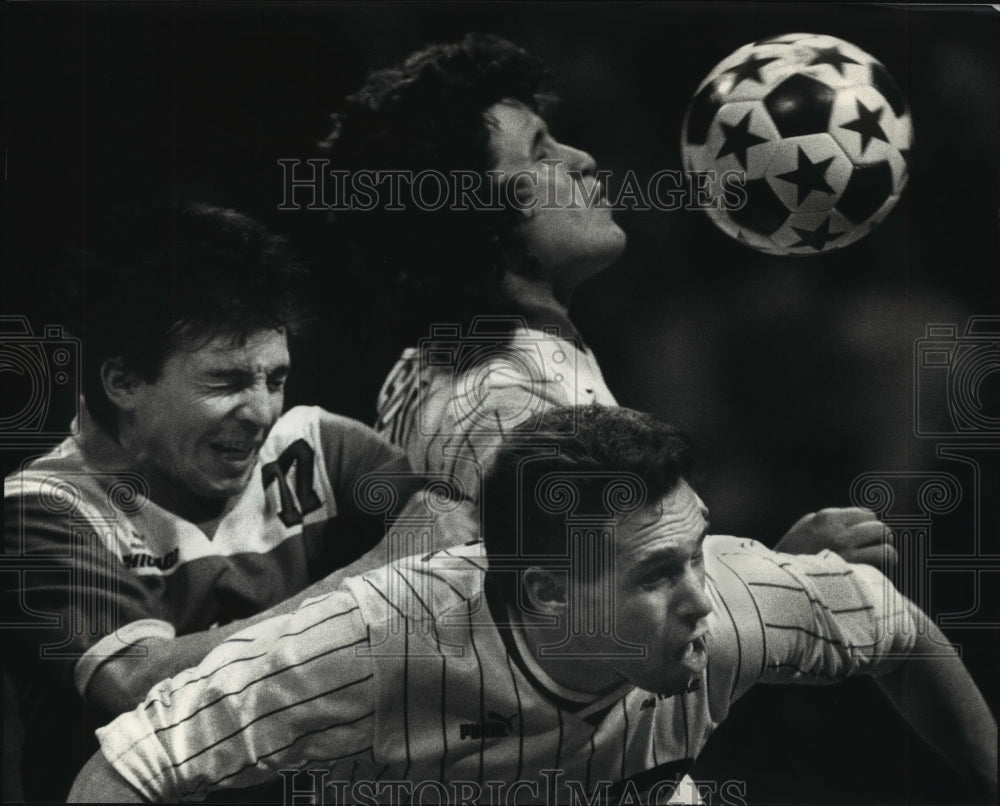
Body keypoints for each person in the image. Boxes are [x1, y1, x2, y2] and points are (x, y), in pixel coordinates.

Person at [67, 405, 998, 804]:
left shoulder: (740, 602)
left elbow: (896, 628)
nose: (697, 598)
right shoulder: (371, 640)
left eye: (698, 549)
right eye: (653, 573)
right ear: (550, 593)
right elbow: (129, 768)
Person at [322, 33, 894, 569]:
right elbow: (595, 643)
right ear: (479, 217)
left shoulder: (436, 363)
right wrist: (786, 576)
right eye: (540, 154)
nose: (581, 159)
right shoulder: (508, 406)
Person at [1, 203, 430, 801]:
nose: (260, 413)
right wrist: (374, 583)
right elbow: (143, 688)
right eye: (225, 382)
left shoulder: (317, 447)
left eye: (275, 380)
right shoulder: (43, 508)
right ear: (123, 383)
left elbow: (451, 527)